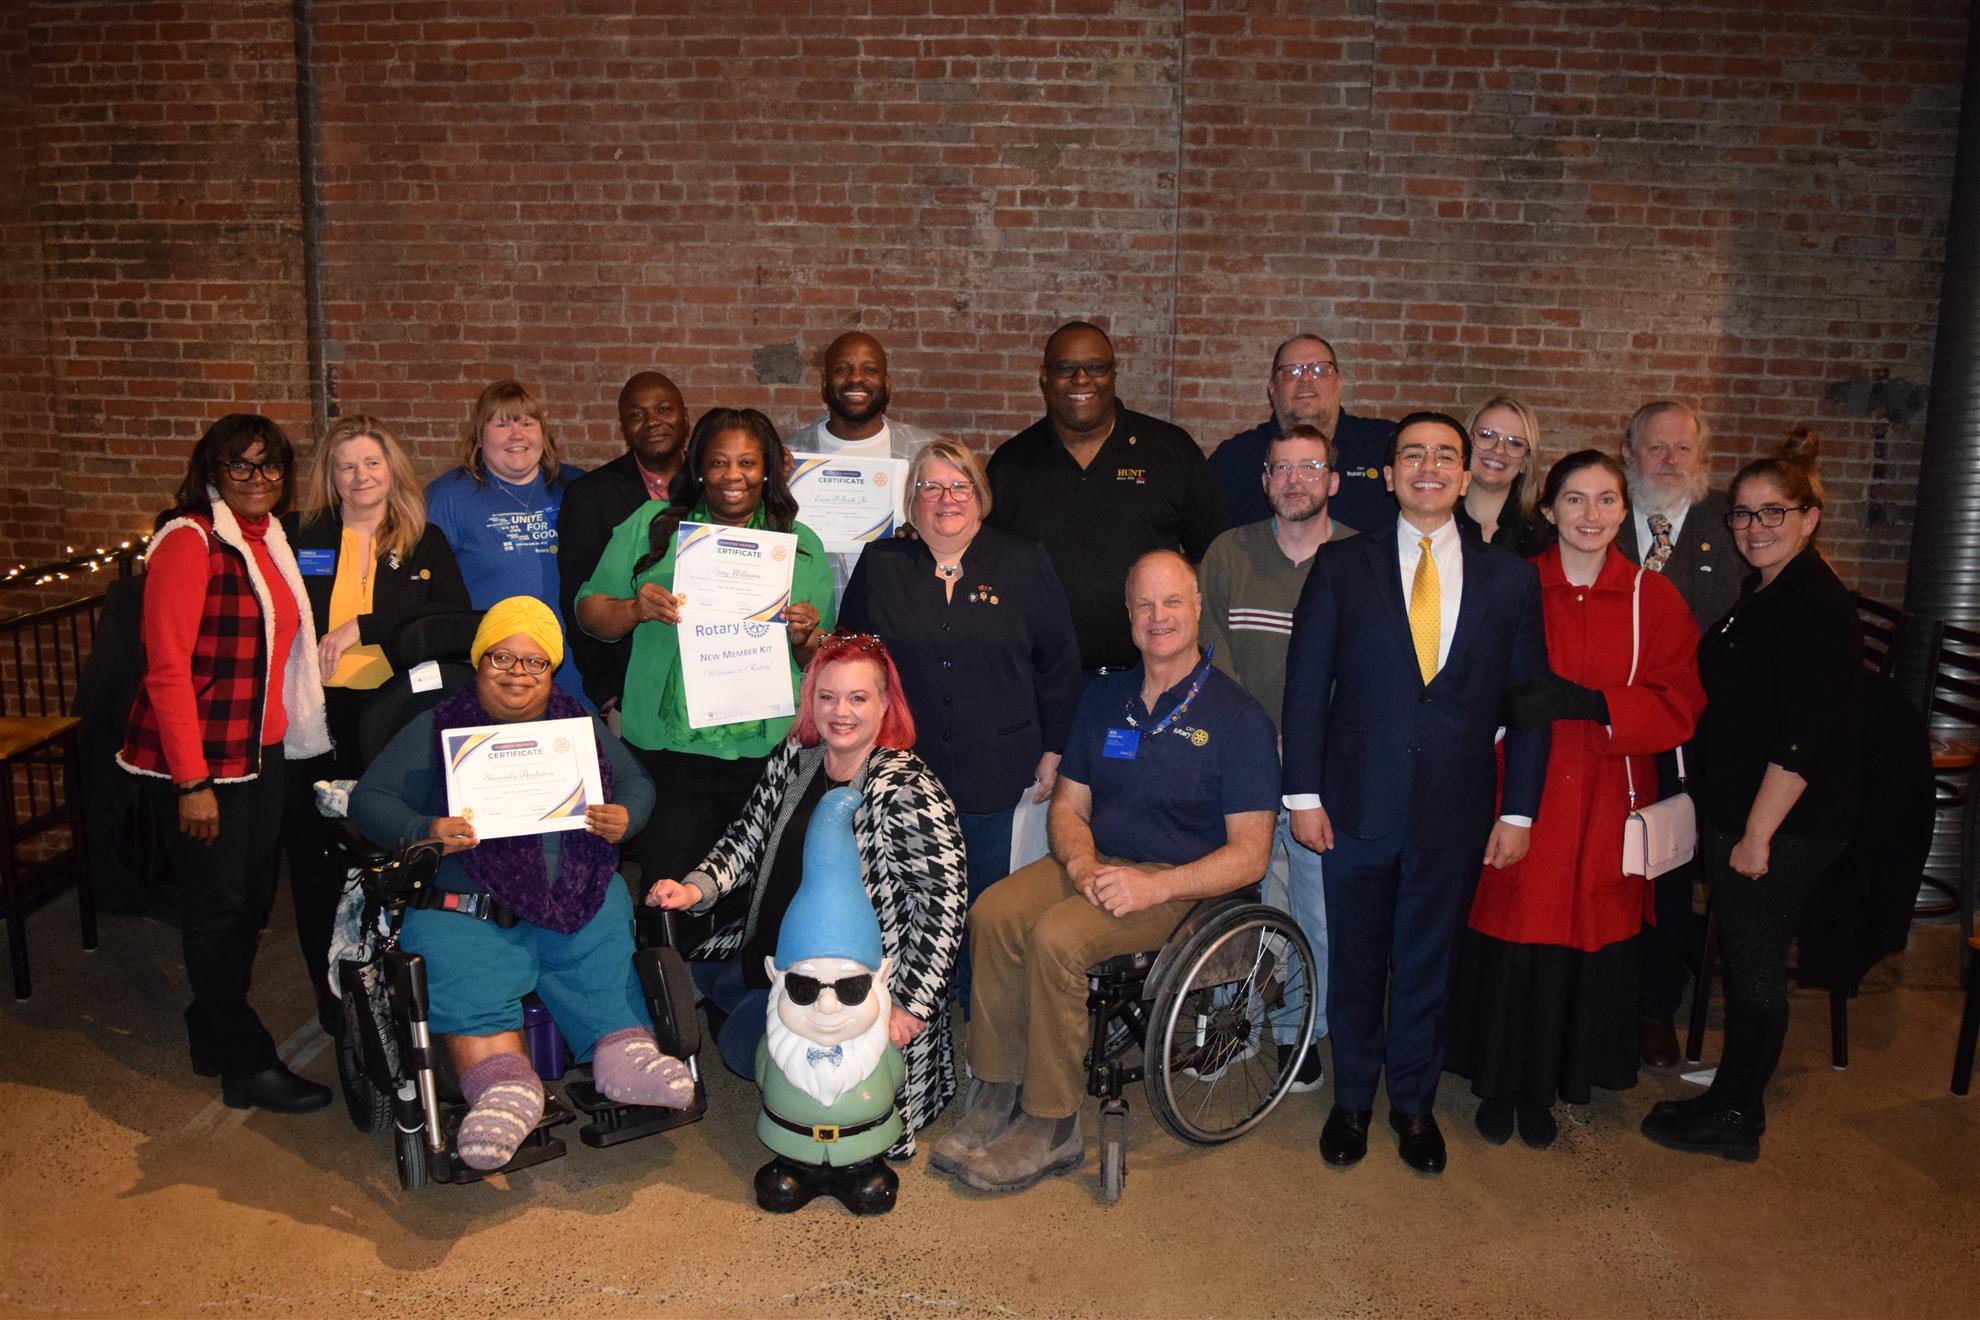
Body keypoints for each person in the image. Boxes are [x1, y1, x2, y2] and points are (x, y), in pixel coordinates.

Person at [930, 551, 1279, 1194]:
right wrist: (1083, 860)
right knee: (994, 914)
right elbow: (1069, 804)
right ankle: (998, 1090)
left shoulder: (1239, 719)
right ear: (1128, 615)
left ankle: (1052, 1124)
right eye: (1144, 604)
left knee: (1058, 939)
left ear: (1197, 606)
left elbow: (1251, 855)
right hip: (1101, 862)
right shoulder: (1105, 696)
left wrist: (1156, 885)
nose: (1158, 617)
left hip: (1185, 885)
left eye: (1172, 602)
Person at [1282, 412, 1549, 1176]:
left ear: (1467, 477)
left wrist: (1519, 808)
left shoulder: (1510, 579)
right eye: (1412, 456)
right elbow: (1306, 689)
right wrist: (1302, 794)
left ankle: (1413, 1106)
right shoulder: (1341, 566)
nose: (1428, 468)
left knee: (1428, 965)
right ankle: (1354, 1101)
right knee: (1358, 963)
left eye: (1446, 456)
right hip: (1356, 804)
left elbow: (1528, 701)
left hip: (1455, 810)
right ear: (1389, 475)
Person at [348, 597, 693, 1171]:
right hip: (469, 897)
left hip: (572, 889)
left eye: (534, 662)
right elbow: (368, 800)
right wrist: (424, 828)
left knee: (603, 928)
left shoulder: (576, 724)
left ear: (552, 670)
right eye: (502, 659)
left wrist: (625, 816)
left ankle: (623, 1051)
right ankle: (504, 1084)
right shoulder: (435, 727)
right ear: (480, 661)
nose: (517, 674)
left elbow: (636, 781)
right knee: (458, 953)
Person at [1444, 450, 1704, 1148]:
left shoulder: (1656, 599)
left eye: (1607, 501)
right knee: (1514, 928)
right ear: (1550, 509)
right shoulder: (1511, 583)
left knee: (1582, 940)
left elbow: (1681, 704)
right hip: (1522, 790)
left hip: (1605, 795)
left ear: (1625, 511)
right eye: (1576, 500)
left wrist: (1598, 703)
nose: (1591, 515)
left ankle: (1553, 1085)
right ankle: (1499, 1082)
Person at [645, 633, 967, 1157]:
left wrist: (909, 1004)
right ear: (810, 699)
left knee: (769, 1058)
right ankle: (748, 998)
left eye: (858, 698)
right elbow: (747, 836)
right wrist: (694, 887)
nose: (840, 712)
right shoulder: (796, 757)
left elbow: (943, 905)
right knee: (713, 1000)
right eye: (827, 696)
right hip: (773, 951)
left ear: (885, 703)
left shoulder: (907, 786)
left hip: (854, 989)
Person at [1641, 428, 1863, 1162]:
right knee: (1748, 958)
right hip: (1746, 809)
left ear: (1809, 518)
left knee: (1758, 966)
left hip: (1781, 821)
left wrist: (1758, 835)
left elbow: (1805, 736)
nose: (1755, 527)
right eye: (1743, 513)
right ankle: (1733, 1089)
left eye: (1774, 512)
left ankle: (1736, 1117)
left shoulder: (1815, 606)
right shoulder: (1767, 589)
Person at [117, 414, 334, 1112]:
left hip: (263, 750)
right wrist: (192, 782)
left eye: (270, 467)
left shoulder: (267, 538)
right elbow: (167, 670)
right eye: (241, 466)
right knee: (215, 912)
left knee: (246, 906)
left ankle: (209, 1027)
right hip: (203, 764)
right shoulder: (189, 541)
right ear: (213, 470)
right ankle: (244, 1060)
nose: (258, 479)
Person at [575, 407, 833, 899]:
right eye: (718, 462)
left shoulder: (799, 546)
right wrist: (633, 609)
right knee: (668, 891)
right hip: (666, 752)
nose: (732, 476)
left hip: (762, 750)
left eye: (747, 463)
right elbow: (591, 615)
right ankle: (674, 978)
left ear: (768, 471)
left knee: (754, 892)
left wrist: (805, 638)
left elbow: (818, 659)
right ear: (697, 467)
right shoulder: (652, 526)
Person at [837, 438, 1083, 941]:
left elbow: (1058, 663)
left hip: (997, 772)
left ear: (979, 494)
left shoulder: (1023, 561)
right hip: (904, 772)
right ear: (912, 501)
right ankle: (921, 1012)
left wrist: (1055, 748)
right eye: (931, 487)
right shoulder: (882, 564)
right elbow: (850, 660)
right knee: (912, 910)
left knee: (986, 913)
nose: (946, 498)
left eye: (959, 485)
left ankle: (977, 1009)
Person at [280, 413, 469, 1035]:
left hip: (393, 721)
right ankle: (333, 998)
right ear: (329, 478)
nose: (359, 475)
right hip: (314, 719)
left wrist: (366, 625)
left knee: (392, 853)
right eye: (345, 465)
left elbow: (452, 620)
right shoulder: (299, 534)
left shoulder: (424, 539)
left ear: (392, 470)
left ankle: (401, 987)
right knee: (317, 859)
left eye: (371, 462)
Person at [1198, 421, 1357, 1092]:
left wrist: (1311, 743)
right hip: (1241, 769)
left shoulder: (1359, 556)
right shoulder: (1228, 554)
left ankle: (1298, 1032)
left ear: (1333, 481)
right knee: (1233, 904)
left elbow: (1366, 668)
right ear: (1264, 481)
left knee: (1314, 912)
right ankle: (1231, 1027)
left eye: (1308, 468)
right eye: (1281, 468)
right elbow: (1211, 657)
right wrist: (1262, 740)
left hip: (1321, 777)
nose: (1294, 480)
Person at [1616, 399, 1747, 1069]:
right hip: (1610, 732)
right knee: (1607, 864)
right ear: (1630, 454)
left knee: (1665, 870)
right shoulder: (1602, 517)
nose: (1669, 459)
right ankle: (1602, 992)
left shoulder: (1732, 527)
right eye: (1655, 447)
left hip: (1692, 739)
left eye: (1682, 448)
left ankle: (1654, 1005)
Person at [986, 321, 1222, 672]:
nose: (1081, 379)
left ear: (1114, 373)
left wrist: (1176, 625)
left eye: (1096, 367)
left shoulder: (1170, 450)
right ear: (1044, 377)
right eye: (1065, 368)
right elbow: (986, 563)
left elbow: (1212, 553)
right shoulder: (1011, 463)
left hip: (1149, 674)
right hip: (1044, 677)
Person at [425, 380, 589, 705]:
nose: (517, 435)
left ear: (543, 433)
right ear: (479, 437)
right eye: (502, 424)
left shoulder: (579, 490)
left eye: (527, 423)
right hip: (491, 676)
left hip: (573, 673)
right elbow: (428, 596)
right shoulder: (446, 498)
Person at [558, 371, 690, 713]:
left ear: (685, 416)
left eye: (664, 409)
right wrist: (605, 691)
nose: (652, 422)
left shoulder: (716, 484)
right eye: (636, 414)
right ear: (622, 427)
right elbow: (578, 597)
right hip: (631, 687)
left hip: (713, 676)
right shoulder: (589, 495)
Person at [782, 332, 945, 598]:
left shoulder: (926, 450)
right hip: (819, 620)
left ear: (887, 384)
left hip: (903, 612)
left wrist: (925, 532)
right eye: (842, 369)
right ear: (824, 384)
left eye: (869, 369)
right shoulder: (789, 455)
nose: (856, 378)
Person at [1205, 334, 1394, 533]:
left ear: (1339, 383)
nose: (1305, 379)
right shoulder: (1233, 460)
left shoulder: (1384, 445)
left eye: (1319, 370)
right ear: (1272, 388)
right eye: (1291, 372)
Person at [1456, 395, 1552, 556]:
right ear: (1465, 442)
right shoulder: (1433, 517)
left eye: (1515, 442)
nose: (1499, 450)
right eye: (1486, 435)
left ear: (1526, 460)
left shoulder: (1543, 535)